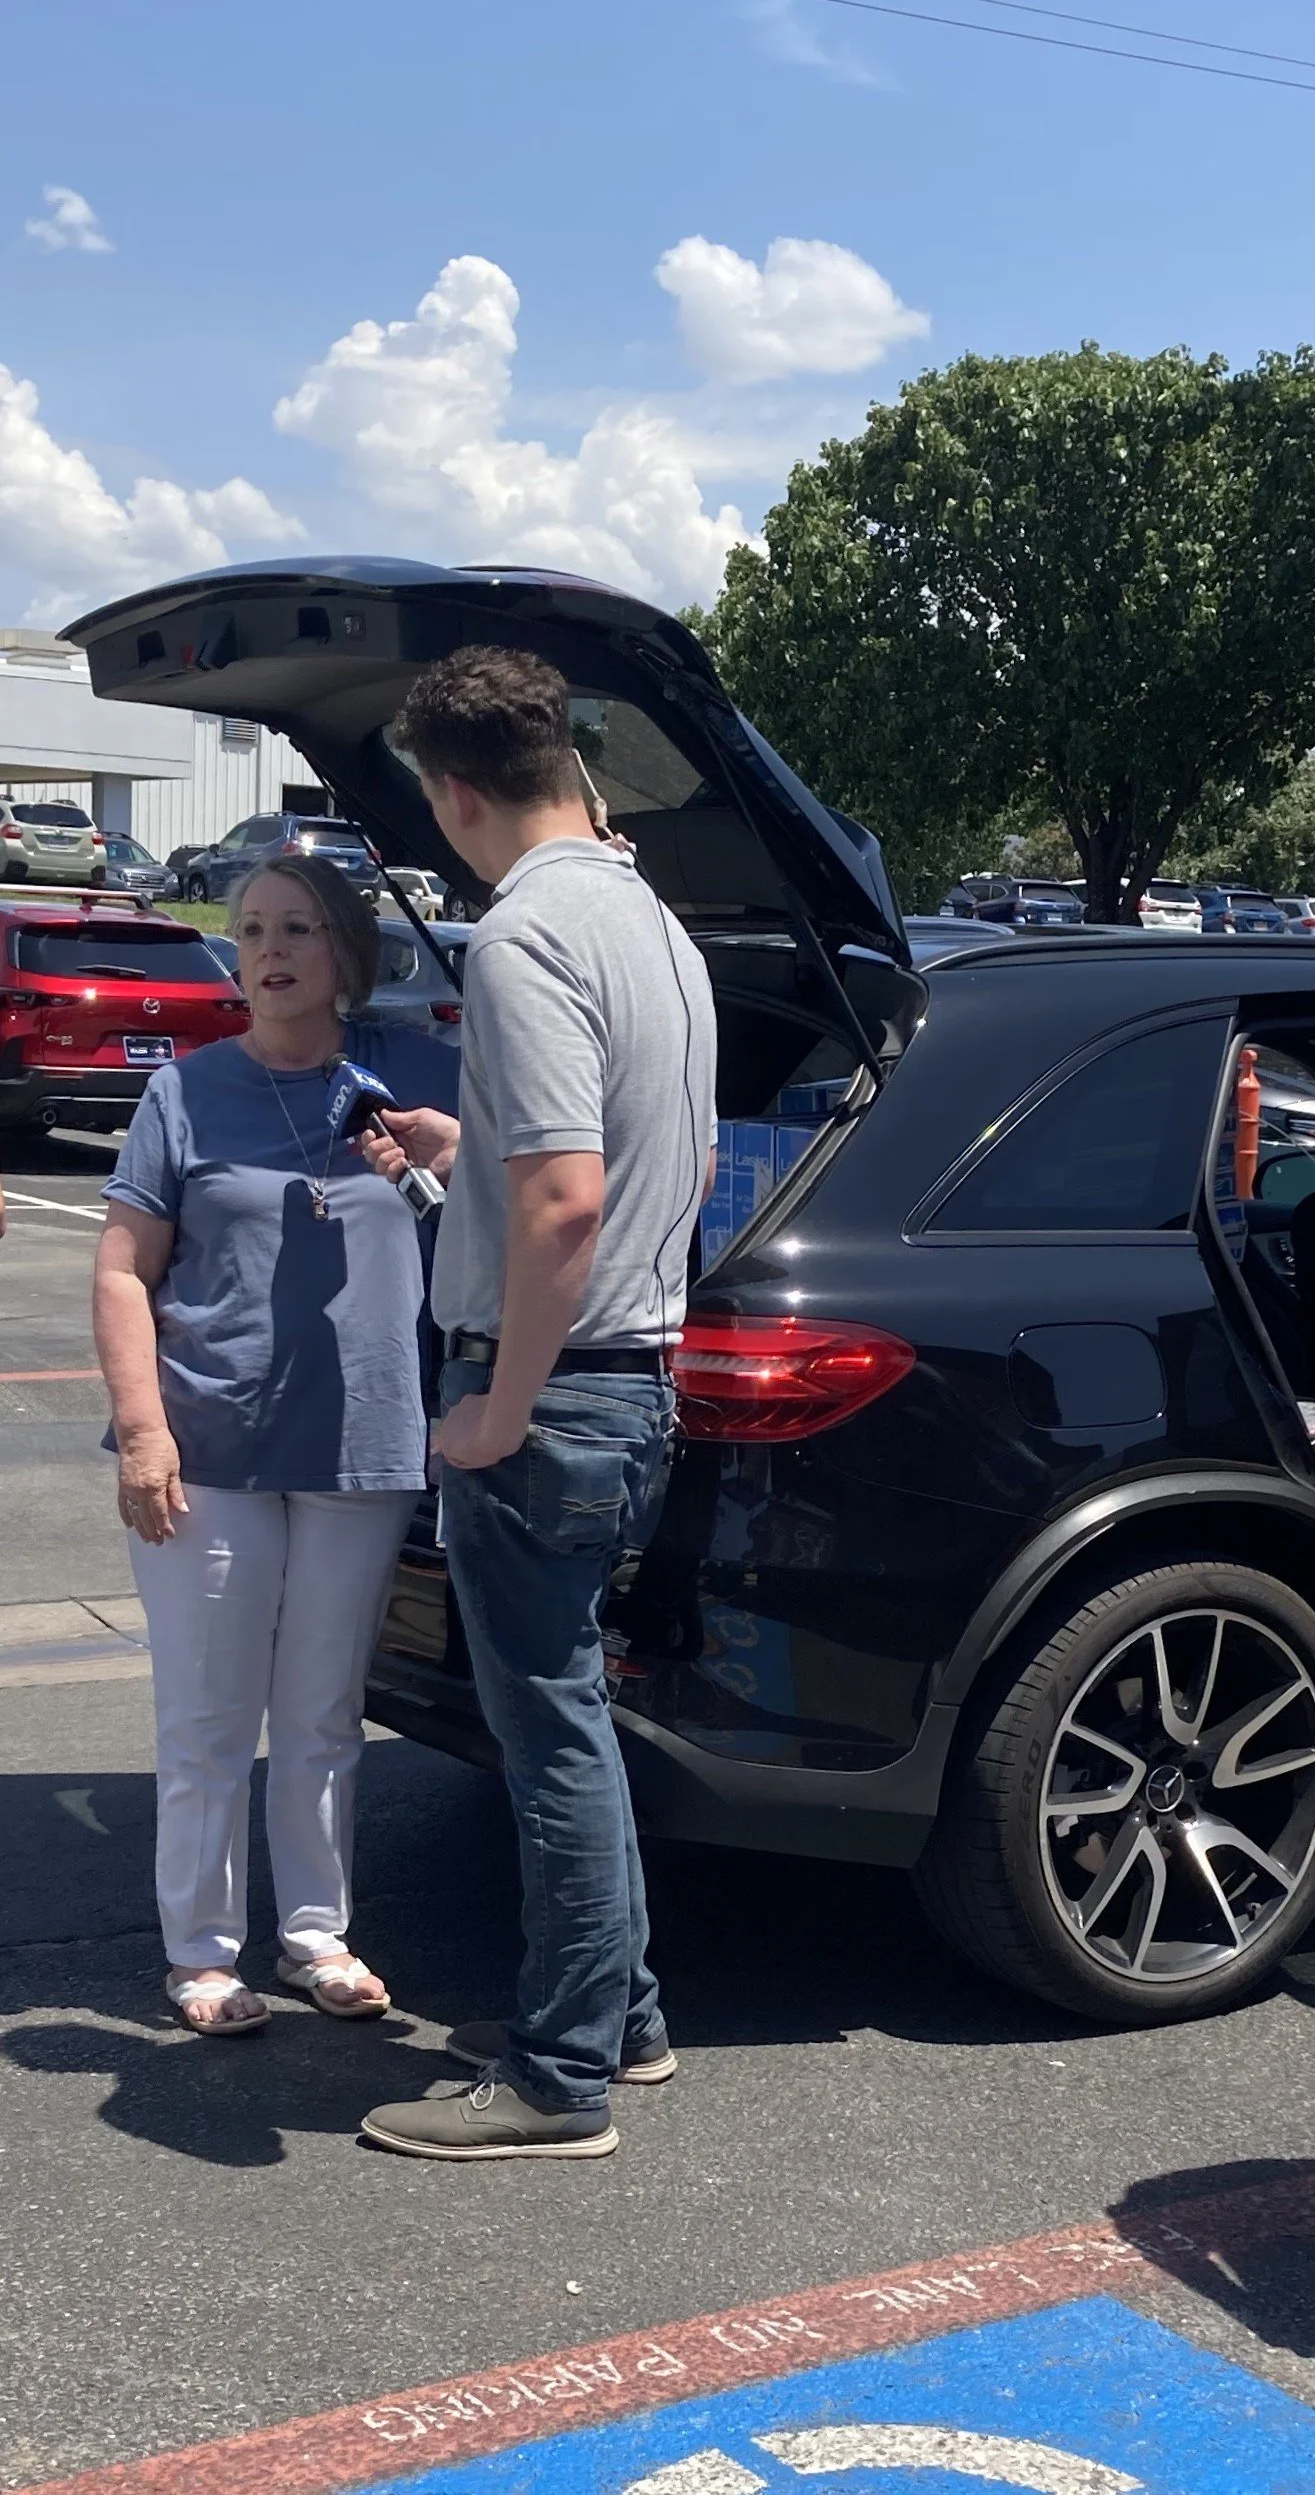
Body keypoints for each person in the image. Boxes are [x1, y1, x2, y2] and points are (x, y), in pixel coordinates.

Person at [356, 647, 715, 2163]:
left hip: (552, 1392)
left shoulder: (521, 940)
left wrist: (496, 1406)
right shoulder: (658, 929)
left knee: (546, 1733)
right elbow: (663, 1171)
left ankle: (559, 2074)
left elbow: (565, 1201)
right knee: (572, 1706)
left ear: (450, 791)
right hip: (636, 1378)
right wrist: (467, 1143)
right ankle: (621, 2019)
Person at [91, 854, 460, 2035]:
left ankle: (316, 1935)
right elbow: (120, 1269)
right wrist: (143, 1429)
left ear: (346, 952)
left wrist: (457, 1162)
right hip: (210, 1441)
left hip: (364, 1440)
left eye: (296, 926)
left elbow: (530, 1208)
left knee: (321, 1707)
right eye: (251, 929)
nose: (269, 948)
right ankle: (200, 1951)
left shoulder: (415, 1078)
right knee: (209, 1710)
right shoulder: (189, 1093)